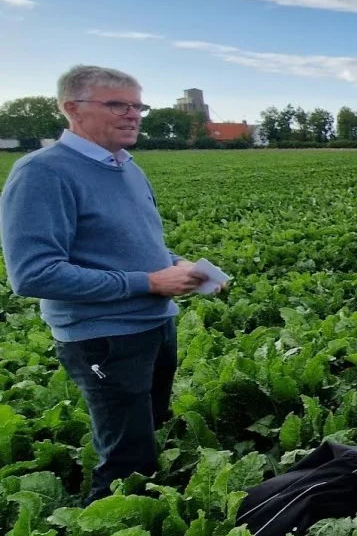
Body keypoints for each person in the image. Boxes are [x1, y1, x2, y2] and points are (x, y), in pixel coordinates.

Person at [0, 65, 223, 505]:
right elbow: (33, 273)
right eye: (117, 104)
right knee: (127, 460)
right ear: (72, 109)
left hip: (155, 325)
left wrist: (178, 265)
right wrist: (148, 281)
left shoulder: (126, 167)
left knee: (151, 426)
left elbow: (131, 244)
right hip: (104, 337)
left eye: (137, 105)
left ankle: (151, 513)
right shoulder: (43, 173)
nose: (133, 114)